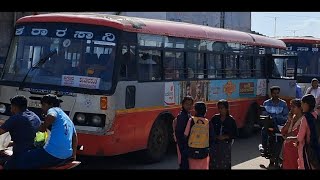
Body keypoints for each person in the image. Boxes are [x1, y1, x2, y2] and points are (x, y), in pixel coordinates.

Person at [17, 94, 78, 169]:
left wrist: (43, 127)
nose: (42, 108)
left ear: (51, 104)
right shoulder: (67, 118)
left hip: (52, 154)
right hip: (67, 155)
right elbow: (75, 137)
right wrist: (74, 155)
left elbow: (51, 116)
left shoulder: (53, 110)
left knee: (22, 159)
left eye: (43, 105)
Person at [0, 95, 41, 169]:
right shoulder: (35, 116)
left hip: (20, 156)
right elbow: (28, 135)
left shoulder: (15, 118)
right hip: (34, 153)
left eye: (11, 106)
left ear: (14, 107)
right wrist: (10, 144)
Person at [260, 86, 289, 166]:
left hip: (279, 125)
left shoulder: (283, 103)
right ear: (271, 94)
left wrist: (277, 117)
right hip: (269, 125)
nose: (276, 95)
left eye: (277, 93)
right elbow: (263, 114)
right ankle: (264, 147)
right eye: (274, 93)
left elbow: (286, 116)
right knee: (263, 130)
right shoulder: (266, 103)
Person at [184, 102, 215, 169]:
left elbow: (186, 135)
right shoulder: (208, 122)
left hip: (192, 150)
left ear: (195, 110)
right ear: (205, 111)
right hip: (204, 150)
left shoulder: (191, 120)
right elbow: (212, 137)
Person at [210, 99, 237, 169]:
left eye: (222, 108)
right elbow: (210, 130)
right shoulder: (215, 118)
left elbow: (235, 134)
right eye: (219, 108)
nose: (220, 110)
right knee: (214, 162)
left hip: (225, 145)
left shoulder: (231, 120)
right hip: (215, 144)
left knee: (225, 162)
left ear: (226, 108)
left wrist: (225, 137)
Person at [294, 94, 319, 169]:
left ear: (306, 104)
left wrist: (293, 140)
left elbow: (300, 137)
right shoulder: (317, 115)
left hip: (307, 149)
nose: (301, 106)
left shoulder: (305, 118)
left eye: (302, 104)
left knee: (304, 166)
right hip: (316, 147)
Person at [281, 99, 303, 169]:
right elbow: (283, 131)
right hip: (287, 148)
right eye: (291, 107)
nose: (291, 109)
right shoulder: (292, 118)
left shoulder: (303, 120)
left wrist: (286, 136)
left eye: (294, 107)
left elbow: (295, 134)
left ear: (300, 108)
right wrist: (289, 120)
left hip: (296, 149)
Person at [174, 96, 194, 169]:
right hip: (183, 143)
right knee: (184, 162)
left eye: (190, 104)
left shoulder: (187, 114)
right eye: (187, 104)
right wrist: (183, 142)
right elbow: (179, 131)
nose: (188, 106)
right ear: (183, 104)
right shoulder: (182, 116)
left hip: (185, 143)